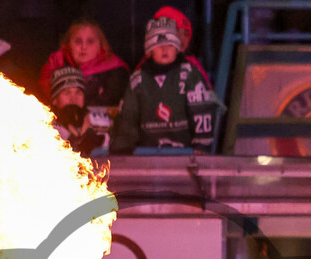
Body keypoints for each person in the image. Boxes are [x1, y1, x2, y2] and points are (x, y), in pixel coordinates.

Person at [109, 16, 217, 154]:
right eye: (158, 45)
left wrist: (201, 144)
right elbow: (128, 116)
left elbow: (202, 109)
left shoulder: (189, 75)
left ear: (177, 48)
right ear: (150, 50)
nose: (164, 49)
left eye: (170, 45)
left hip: (185, 154)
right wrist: (123, 146)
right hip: (147, 155)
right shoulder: (138, 80)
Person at [39, 17, 128, 109]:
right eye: (78, 41)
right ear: (68, 44)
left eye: (90, 42)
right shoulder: (55, 64)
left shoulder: (116, 72)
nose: (83, 47)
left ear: (101, 45)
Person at [49, 65, 105, 157]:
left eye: (78, 92)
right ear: (54, 99)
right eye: (67, 93)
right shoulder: (46, 128)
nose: (73, 97)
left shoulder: (100, 123)